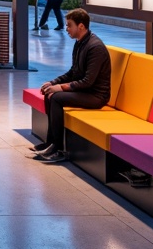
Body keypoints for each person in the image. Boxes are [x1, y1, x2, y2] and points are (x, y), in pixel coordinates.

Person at [31, 9, 111, 164]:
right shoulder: (80, 43)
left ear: (81, 26)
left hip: (96, 96)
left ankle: (59, 150)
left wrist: (60, 88)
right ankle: (51, 143)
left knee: (56, 98)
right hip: (85, 91)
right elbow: (73, 72)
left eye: (69, 25)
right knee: (49, 93)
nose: (66, 28)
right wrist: (53, 83)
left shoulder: (95, 48)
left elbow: (88, 81)